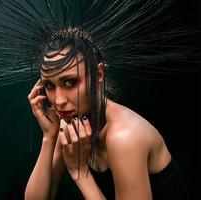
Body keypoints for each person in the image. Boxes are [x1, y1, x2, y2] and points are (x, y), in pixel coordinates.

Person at [25, 29, 188, 200]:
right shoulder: (70, 125)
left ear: (98, 74)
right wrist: (49, 137)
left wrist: (80, 173)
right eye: (49, 86)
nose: (58, 101)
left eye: (69, 82)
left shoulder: (125, 137)